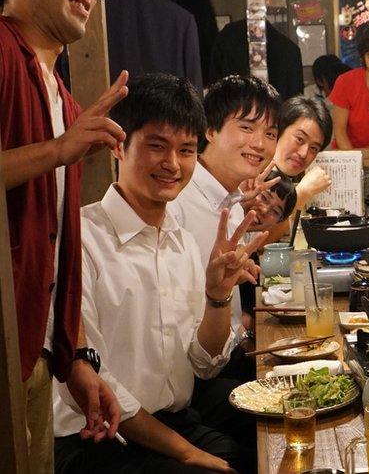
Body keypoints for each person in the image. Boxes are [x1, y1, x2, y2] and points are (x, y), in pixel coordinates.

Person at [53, 73, 263, 474]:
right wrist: (186, 452)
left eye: (185, 150)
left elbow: (203, 364)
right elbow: (93, 384)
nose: (172, 164)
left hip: (170, 418)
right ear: (120, 145)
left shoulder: (180, 242)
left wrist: (217, 297)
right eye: (156, 146)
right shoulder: (81, 240)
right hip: (98, 437)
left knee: (270, 434)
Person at [1, 0, 124, 469]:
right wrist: (57, 149)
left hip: (33, 351)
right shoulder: (3, 52)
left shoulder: (58, 92)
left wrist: (70, 358)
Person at [170, 75, 280, 399]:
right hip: (189, 383)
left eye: (270, 133)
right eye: (246, 127)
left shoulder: (230, 203)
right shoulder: (178, 201)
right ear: (210, 130)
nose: (259, 143)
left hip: (225, 356)